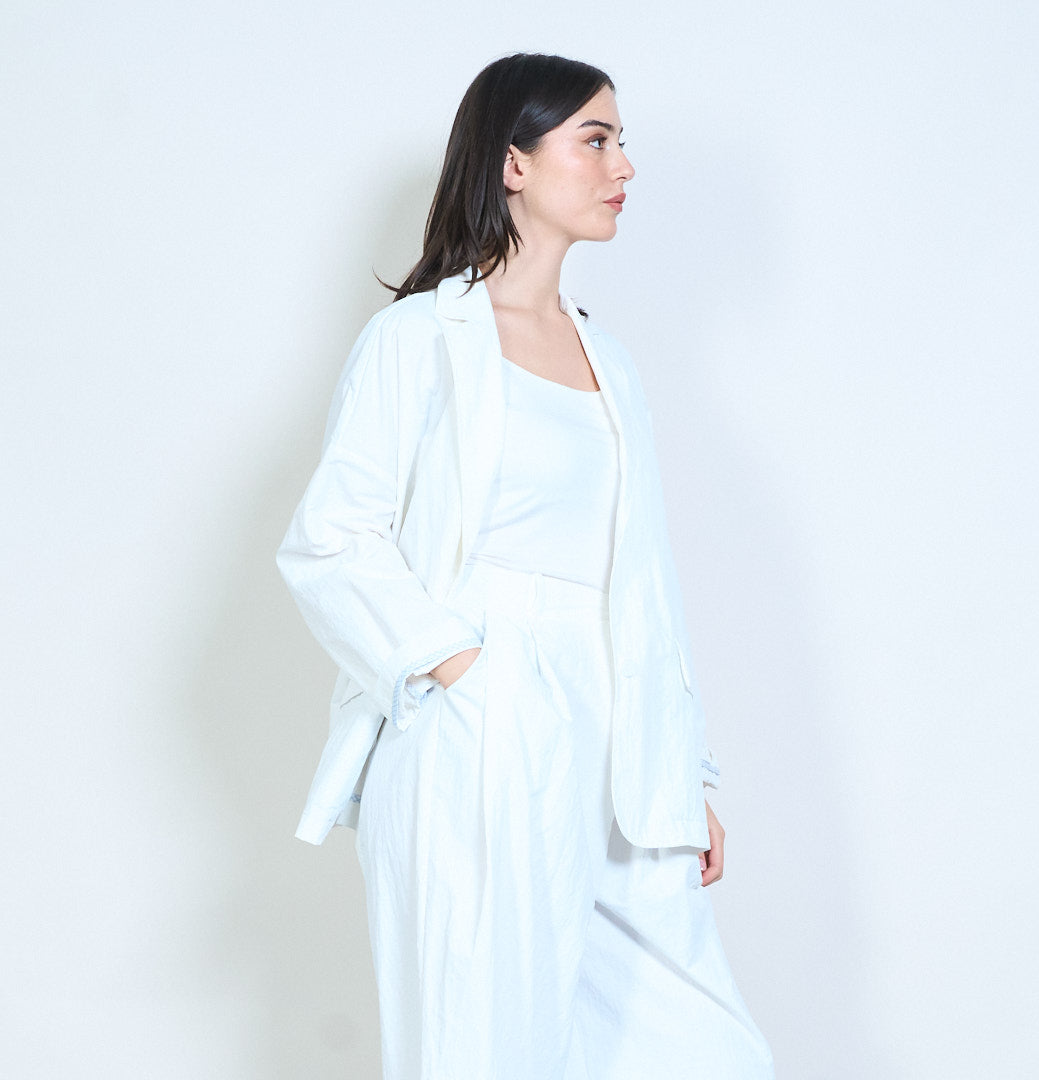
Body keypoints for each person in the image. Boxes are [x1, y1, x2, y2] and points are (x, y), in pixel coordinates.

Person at [277, 52, 773, 1080]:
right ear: (513, 162)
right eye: (595, 139)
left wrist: (681, 771)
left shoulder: (608, 360)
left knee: (707, 1054)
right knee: (484, 1048)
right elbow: (332, 539)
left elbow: (636, 580)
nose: (623, 166)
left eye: (621, 142)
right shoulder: (417, 340)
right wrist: (468, 677)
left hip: (617, 747)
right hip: (478, 730)